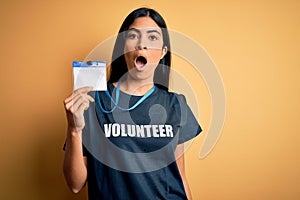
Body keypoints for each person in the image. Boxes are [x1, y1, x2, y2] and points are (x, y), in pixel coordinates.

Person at [63, 7, 202, 200]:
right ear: (123, 47)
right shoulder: (93, 101)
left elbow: (181, 178)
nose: (142, 44)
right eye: (133, 36)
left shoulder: (175, 104)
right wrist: (73, 129)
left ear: (163, 52)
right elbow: (76, 184)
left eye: (152, 38)